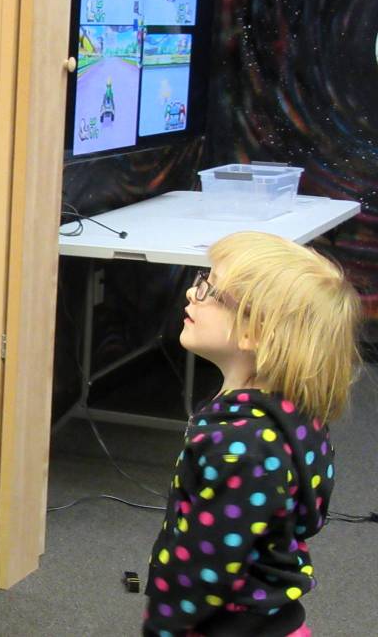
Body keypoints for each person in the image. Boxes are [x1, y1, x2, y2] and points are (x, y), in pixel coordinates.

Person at [143, 232, 361, 636]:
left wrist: (162, 624)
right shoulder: (290, 412)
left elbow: (207, 565)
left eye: (211, 290)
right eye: (201, 278)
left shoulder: (242, 448)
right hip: (271, 618)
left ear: (255, 333)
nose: (193, 292)